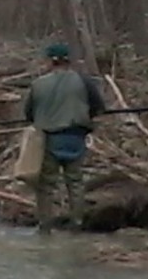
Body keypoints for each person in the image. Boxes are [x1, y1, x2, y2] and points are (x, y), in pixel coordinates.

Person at [23, 41, 105, 231]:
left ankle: (45, 226)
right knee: (75, 182)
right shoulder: (84, 81)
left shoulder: (37, 84)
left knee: (46, 186)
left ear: (50, 61)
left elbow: (29, 114)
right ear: (68, 61)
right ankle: (77, 224)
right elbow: (98, 107)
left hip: (49, 139)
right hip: (76, 137)